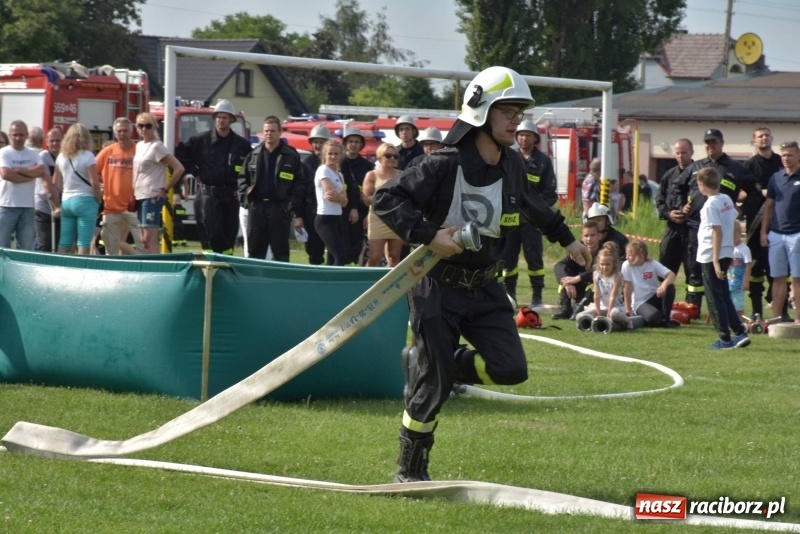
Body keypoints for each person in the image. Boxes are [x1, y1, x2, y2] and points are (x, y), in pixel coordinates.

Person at [372, 66, 591, 483]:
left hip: (484, 287)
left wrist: (566, 238)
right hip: (436, 287)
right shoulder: (441, 164)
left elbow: (531, 202)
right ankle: (410, 470)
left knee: (511, 369)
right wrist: (429, 235)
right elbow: (386, 199)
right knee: (432, 389)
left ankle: (432, 361)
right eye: (508, 110)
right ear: (481, 112)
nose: (517, 120)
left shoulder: (510, 163)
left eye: (519, 111)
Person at [668, 129, 761, 316]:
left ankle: (720, 311)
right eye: (707, 143)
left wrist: (742, 209)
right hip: (696, 227)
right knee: (695, 271)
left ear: (722, 143)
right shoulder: (696, 167)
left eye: (714, 142)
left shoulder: (735, 168)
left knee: (718, 271)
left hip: (723, 230)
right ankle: (693, 310)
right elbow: (677, 186)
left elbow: (756, 192)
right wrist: (682, 205)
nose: (710, 146)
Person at [175, 100, 252, 254]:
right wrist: (195, 172)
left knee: (230, 234)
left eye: (224, 117)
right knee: (214, 233)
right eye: (218, 117)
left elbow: (250, 168)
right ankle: (213, 265)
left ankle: (227, 264)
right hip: (209, 196)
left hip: (231, 196)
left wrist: (243, 188)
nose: (221, 120)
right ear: (214, 118)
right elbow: (180, 152)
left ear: (231, 120)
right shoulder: (201, 140)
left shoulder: (241, 144)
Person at [501, 119, 557, 307]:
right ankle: (510, 296)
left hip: (532, 221)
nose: (524, 138)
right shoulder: (508, 157)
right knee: (508, 259)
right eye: (521, 135)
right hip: (509, 219)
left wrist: (539, 212)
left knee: (534, 258)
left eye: (528, 135)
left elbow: (550, 192)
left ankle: (537, 298)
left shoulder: (543, 162)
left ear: (535, 138)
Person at [238, 116, 306, 261]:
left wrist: (291, 204)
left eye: (273, 131)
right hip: (257, 208)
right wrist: (246, 200)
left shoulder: (290, 156)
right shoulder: (254, 154)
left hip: (279, 208)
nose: (269, 134)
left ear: (280, 132)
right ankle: (256, 281)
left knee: (280, 251)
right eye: (266, 131)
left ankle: (280, 282)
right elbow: (242, 179)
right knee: (255, 250)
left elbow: (299, 183)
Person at [696, 168, 750, 349]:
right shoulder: (726, 199)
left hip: (712, 254)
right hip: (726, 251)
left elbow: (716, 231)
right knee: (724, 294)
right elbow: (735, 218)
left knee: (714, 297)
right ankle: (739, 331)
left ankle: (724, 338)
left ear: (702, 185)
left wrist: (715, 260)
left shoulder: (710, 205)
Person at [743, 126, 784, 318]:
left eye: (767, 135)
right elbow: (740, 193)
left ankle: (781, 311)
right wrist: (759, 193)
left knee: (779, 270)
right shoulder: (748, 166)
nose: (764, 138)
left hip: (781, 224)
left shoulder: (781, 162)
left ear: (772, 138)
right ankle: (757, 312)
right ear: (754, 141)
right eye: (760, 136)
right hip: (755, 225)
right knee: (756, 270)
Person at [760, 140, 800, 324]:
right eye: (783, 155)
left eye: (790, 155)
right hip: (776, 234)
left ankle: (799, 320)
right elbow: (769, 207)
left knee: (797, 279)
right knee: (777, 278)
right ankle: (776, 319)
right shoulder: (775, 178)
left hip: (797, 234)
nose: (786, 158)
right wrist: (763, 232)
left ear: (798, 156)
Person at [132, 112, 185, 254]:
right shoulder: (139, 145)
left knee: (150, 237)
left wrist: (166, 189)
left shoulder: (157, 146)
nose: (144, 129)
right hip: (138, 195)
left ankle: (154, 265)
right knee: (142, 239)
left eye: (147, 126)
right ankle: (146, 264)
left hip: (152, 195)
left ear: (154, 127)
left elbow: (179, 168)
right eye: (140, 126)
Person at [657, 138, 696, 309]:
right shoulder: (669, 175)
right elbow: (659, 201)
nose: (680, 156)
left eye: (684, 152)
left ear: (692, 152)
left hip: (692, 229)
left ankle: (692, 306)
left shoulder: (699, 173)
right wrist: (669, 214)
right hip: (672, 228)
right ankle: (663, 304)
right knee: (665, 267)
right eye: (677, 153)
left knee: (693, 270)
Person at [95, 118, 144, 255]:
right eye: (119, 131)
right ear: (115, 133)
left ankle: (142, 271)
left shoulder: (139, 150)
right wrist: (101, 182)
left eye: (125, 131)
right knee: (111, 246)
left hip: (133, 206)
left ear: (132, 131)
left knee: (142, 244)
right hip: (111, 207)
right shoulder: (108, 151)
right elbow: (92, 170)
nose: (122, 134)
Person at [51, 123, 102, 255]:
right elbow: (94, 183)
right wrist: (99, 199)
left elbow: (55, 183)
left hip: (67, 201)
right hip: (86, 200)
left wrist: (67, 189)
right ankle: (82, 270)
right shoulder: (88, 156)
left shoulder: (61, 157)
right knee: (83, 242)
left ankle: (58, 267)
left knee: (64, 242)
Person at [0, 120, 47, 250]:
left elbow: (41, 170)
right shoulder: (4, 152)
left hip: (28, 207)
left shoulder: (33, 153)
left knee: (25, 249)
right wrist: (29, 174)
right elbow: (6, 174)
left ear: (26, 135)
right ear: (10, 135)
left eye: (21, 135)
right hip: (6, 206)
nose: (18, 138)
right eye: (15, 135)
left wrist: (18, 170)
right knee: (2, 248)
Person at [622, 240, 680, 328]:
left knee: (670, 287)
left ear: (640, 256)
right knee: (653, 317)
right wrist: (627, 309)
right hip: (640, 302)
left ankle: (665, 319)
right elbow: (627, 288)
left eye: (630, 255)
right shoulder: (626, 266)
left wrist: (663, 285)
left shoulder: (652, 264)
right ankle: (660, 320)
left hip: (654, 296)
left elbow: (671, 275)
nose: (627, 257)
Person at [363, 143, 403, 267]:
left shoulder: (402, 175)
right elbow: (366, 199)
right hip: (378, 218)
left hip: (397, 218)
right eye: (388, 155)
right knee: (375, 257)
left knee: (394, 257)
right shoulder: (372, 175)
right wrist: (385, 199)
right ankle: (366, 282)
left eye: (395, 156)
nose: (392, 159)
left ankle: (390, 285)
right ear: (380, 158)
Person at [552, 220, 601, 319]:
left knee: (593, 284)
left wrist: (579, 278)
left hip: (597, 295)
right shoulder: (577, 252)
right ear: (582, 237)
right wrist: (567, 281)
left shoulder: (604, 253)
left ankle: (580, 308)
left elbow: (601, 271)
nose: (589, 239)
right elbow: (559, 266)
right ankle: (565, 309)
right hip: (578, 291)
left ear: (599, 236)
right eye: (586, 236)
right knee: (564, 278)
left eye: (593, 235)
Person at [340, 124, 373, 265]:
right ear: (345, 143)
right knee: (340, 246)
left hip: (360, 211)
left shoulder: (366, 165)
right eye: (350, 141)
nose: (353, 144)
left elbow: (371, 192)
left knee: (357, 246)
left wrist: (367, 215)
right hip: (340, 209)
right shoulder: (339, 163)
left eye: (356, 141)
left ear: (361, 144)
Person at [313, 140, 349, 265]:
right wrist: (341, 197)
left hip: (336, 219)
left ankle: (328, 282)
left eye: (336, 154)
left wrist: (340, 198)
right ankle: (334, 282)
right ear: (325, 155)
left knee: (333, 258)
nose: (333, 157)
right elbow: (330, 195)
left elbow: (345, 202)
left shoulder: (339, 175)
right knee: (340, 257)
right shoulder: (323, 170)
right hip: (325, 219)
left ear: (341, 155)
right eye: (330, 154)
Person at [582, 241, 632, 330]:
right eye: (602, 264)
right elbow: (596, 295)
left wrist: (608, 315)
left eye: (607, 264)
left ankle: (627, 321)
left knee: (614, 314)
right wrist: (598, 312)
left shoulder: (617, 276)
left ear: (613, 264)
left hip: (615, 306)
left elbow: (612, 297)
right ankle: (594, 324)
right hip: (602, 306)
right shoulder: (596, 274)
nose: (604, 267)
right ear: (598, 264)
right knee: (581, 315)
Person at [300, 124, 331, 265]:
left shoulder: (335, 163)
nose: (318, 145)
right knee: (314, 249)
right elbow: (300, 190)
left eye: (321, 141)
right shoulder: (306, 163)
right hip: (311, 211)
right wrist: (298, 215)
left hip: (332, 211)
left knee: (333, 249)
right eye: (315, 142)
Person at [35, 128, 63, 252]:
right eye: (52, 141)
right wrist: (56, 206)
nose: (55, 143)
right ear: (46, 141)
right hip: (44, 206)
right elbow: (47, 184)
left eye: (58, 140)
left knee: (60, 244)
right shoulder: (43, 157)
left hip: (63, 205)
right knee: (46, 243)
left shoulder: (65, 156)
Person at [728, 220, 752, 320]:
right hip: (728, 282)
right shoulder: (728, 248)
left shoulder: (744, 249)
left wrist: (746, 281)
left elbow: (748, 266)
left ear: (739, 233)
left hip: (738, 283)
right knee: (727, 303)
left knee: (738, 305)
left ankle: (740, 322)